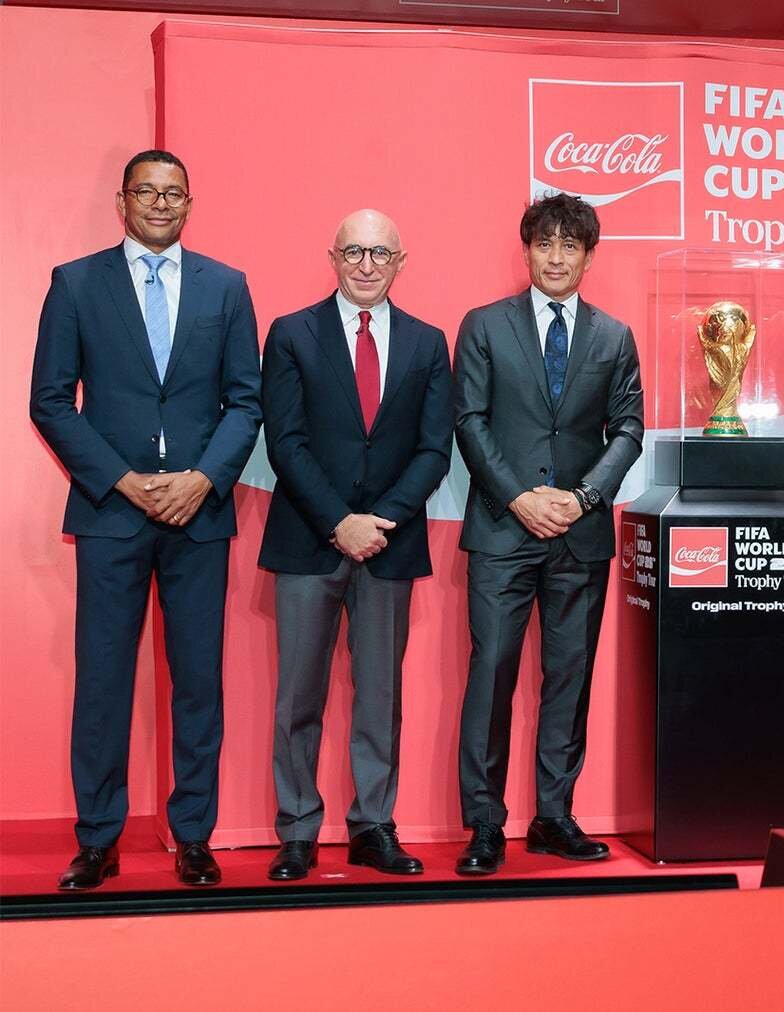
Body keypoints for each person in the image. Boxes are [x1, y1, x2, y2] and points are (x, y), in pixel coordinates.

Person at [30, 149, 261, 889]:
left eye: (174, 193)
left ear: (189, 203)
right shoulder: (75, 283)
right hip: (111, 513)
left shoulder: (226, 286)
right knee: (103, 682)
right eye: (147, 191)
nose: (161, 203)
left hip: (199, 515)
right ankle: (97, 839)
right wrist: (123, 481)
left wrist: (203, 479)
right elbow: (50, 401)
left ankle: (194, 836)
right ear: (123, 202)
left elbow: (246, 401)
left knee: (198, 683)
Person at [258, 210, 453, 881]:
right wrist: (340, 520)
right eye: (354, 252)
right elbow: (285, 442)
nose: (366, 264)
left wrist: (382, 520)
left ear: (401, 261)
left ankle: (373, 826)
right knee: (297, 696)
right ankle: (297, 831)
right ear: (333, 257)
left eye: (379, 253)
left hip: (389, 545)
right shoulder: (291, 334)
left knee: (380, 696)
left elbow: (434, 449)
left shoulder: (428, 343)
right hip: (309, 538)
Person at [453, 193, 644, 873]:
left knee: (570, 677)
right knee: (491, 675)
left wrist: (582, 498)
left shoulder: (613, 336)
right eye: (544, 244)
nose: (556, 257)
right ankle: (484, 824)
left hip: (579, 535)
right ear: (527, 250)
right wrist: (519, 497)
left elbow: (627, 430)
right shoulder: (484, 325)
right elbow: (469, 421)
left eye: (570, 245)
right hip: (502, 531)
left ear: (588, 257)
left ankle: (553, 817)